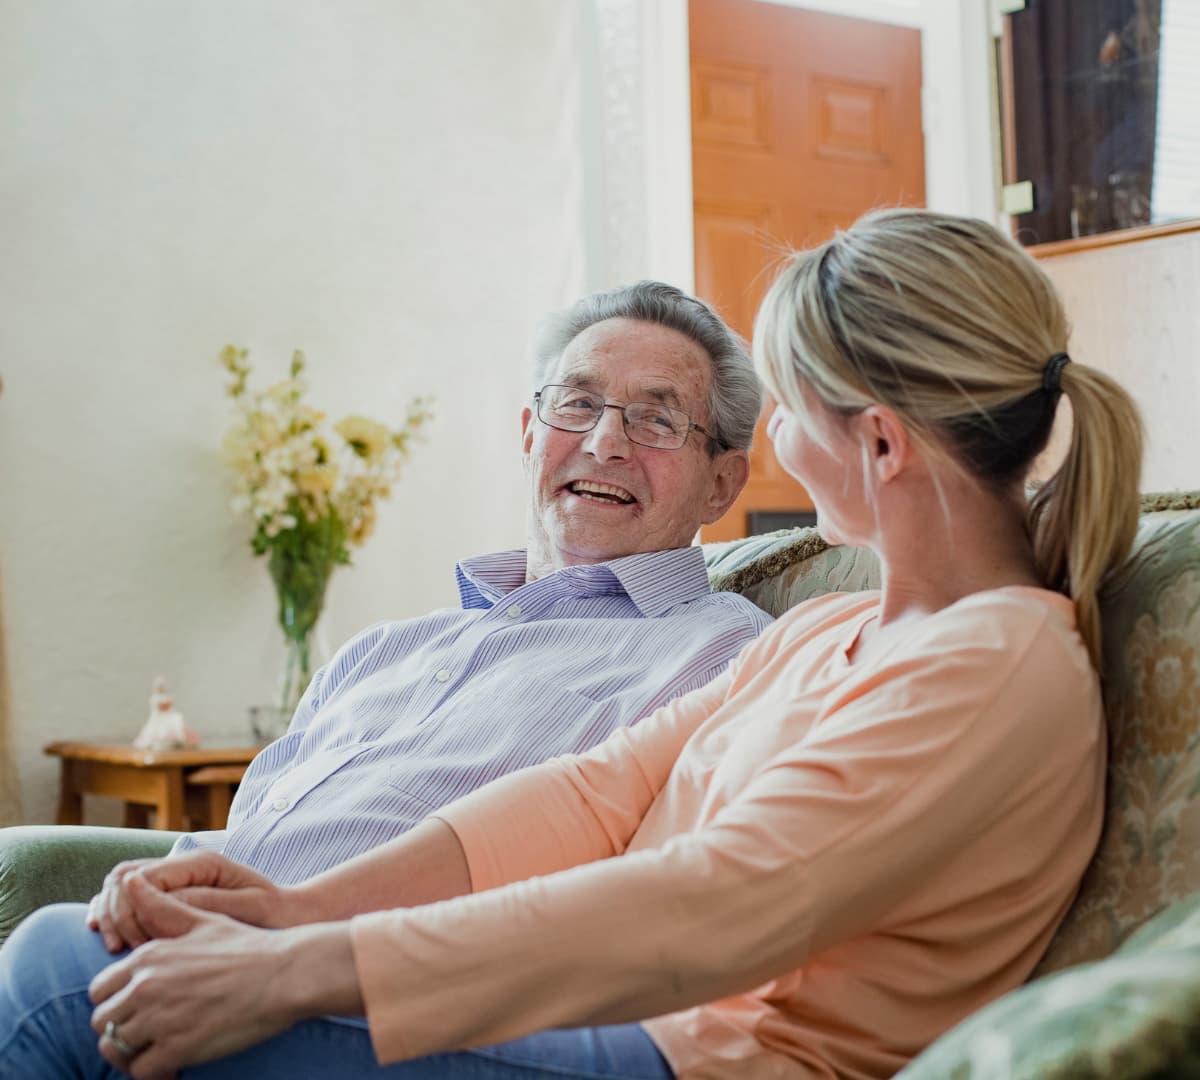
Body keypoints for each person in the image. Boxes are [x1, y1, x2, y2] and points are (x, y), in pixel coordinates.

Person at [0, 208, 1144, 1079]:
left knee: (63, 979)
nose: (782, 443)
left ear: (882, 447)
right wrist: (292, 913)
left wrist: (289, 972)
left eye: (789, 409)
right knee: (75, 947)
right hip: (625, 1030)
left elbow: (714, 905)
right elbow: (589, 796)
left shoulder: (999, 668)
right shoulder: (836, 629)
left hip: (698, 1063)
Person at [163, 281, 773, 886]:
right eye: (578, 405)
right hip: (172, 932)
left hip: (350, 967)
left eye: (657, 419)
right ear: (530, 435)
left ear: (721, 483)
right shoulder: (379, 652)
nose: (604, 442)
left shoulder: (727, 655)